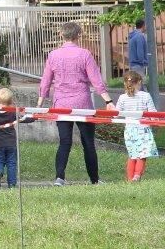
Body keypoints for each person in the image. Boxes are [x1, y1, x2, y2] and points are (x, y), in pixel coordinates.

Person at [38, 21, 114, 186]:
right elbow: (96, 80)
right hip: (83, 104)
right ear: (78, 35)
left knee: (64, 141)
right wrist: (108, 100)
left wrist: (40, 102)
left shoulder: (53, 55)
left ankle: (59, 177)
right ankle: (94, 180)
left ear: (61, 35)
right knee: (88, 143)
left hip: (61, 104)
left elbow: (45, 81)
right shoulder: (85, 54)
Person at [0, 88, 34, 189]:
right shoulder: (12, 113)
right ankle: (12, 184)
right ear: (11, 101)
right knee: (11, 163)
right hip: (11, 144)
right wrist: (35, 117)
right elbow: (24, 119)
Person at [116, 71, 158, 182]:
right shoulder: (145, 96)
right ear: (139, 82)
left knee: (132, 154)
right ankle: (137, 175)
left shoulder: (122, 98)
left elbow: (117, 113)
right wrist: (155, 121)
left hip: (129, 129)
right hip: (143, 129)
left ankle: (130, 179)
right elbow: (153, 113)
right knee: (142, 154)